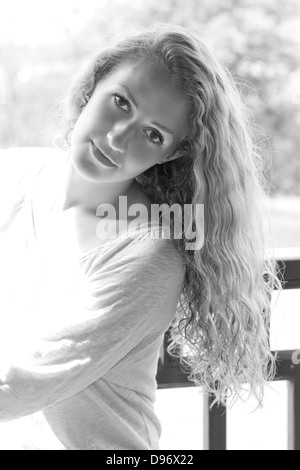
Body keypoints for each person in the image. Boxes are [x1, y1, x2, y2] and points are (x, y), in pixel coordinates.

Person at [0, 23, 282, 450]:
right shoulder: (15, 174)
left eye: (153, 134)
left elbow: (24, 384)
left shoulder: (146, 254)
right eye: (120, 102)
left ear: (172, 153)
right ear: (93, 85)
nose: (117, 138)